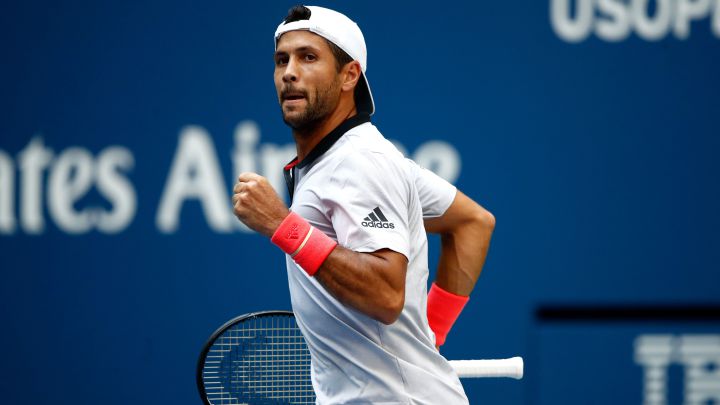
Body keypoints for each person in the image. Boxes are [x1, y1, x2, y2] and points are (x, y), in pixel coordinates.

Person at [232, 5, 495, 404]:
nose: (289, 72)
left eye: (308, 57)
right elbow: (473, 222)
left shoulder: (360, 162)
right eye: (281, 60)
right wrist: (431, 337)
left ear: (349, 75)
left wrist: (281, 224)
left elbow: (386, 297)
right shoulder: (352, 157)